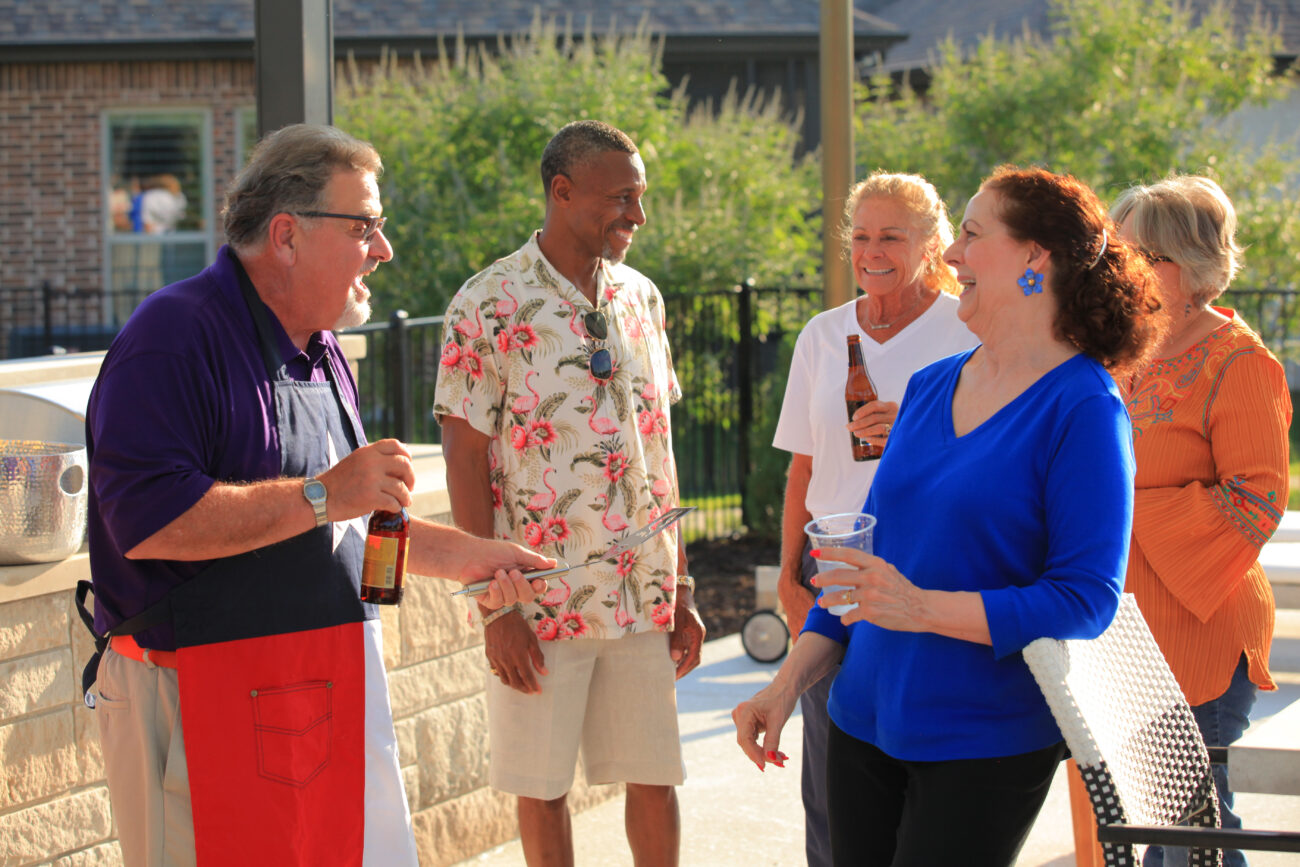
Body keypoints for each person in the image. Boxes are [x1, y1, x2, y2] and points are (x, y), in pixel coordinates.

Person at [81, 124, 553, 867]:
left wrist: (474, 560)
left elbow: (352, 534)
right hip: (192, 700)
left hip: (308, 699)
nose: (384, 248)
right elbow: (149, 522)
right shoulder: (173, 337)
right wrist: (325, 494)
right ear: (287, 235)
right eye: (365, 225)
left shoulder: (324, 351)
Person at [734, 165, 1163, 866]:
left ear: (1035, 259)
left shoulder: (1083, 405)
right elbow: (858, 565)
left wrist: (923, 608)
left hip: (984, 740)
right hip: (860, 720)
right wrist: (784, 686)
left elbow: (1086, 599)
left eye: (970, 233)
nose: (953, 253)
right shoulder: (933, 387)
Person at [434, 119, 706, 867]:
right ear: (562, 190)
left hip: (642, 591)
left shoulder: (641, 298)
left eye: (641, 199)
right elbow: (464, 458)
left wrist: (680, 584)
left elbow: (660, 446)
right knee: (542, 786)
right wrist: (497, 604)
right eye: (622, 198)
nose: (637, 217)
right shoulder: (486, 302)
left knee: (656, 776)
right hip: (540, 597)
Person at [1065, 176, 1291, 867]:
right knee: (1146, 831)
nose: (1120, 271)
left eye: (1140, 256)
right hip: (1119, 627)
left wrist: (1118, 508)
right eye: (1117, 255)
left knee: (1191, 835)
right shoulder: (1120, 349)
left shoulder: (1241, 363)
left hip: (1198, 630)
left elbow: (1256, 498)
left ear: (1191, 267)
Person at [771, 170, 978, 866]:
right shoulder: (824, 337)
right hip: (828, 563)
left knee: (911, 753)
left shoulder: (967, 330)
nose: (872, 249)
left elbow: (995, 452)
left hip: (925, 562)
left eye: (892, 234)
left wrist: (918, 432)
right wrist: (787, 577)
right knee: (832, 767)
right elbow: (802, 467)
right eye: (861, 235)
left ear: (932, 244)